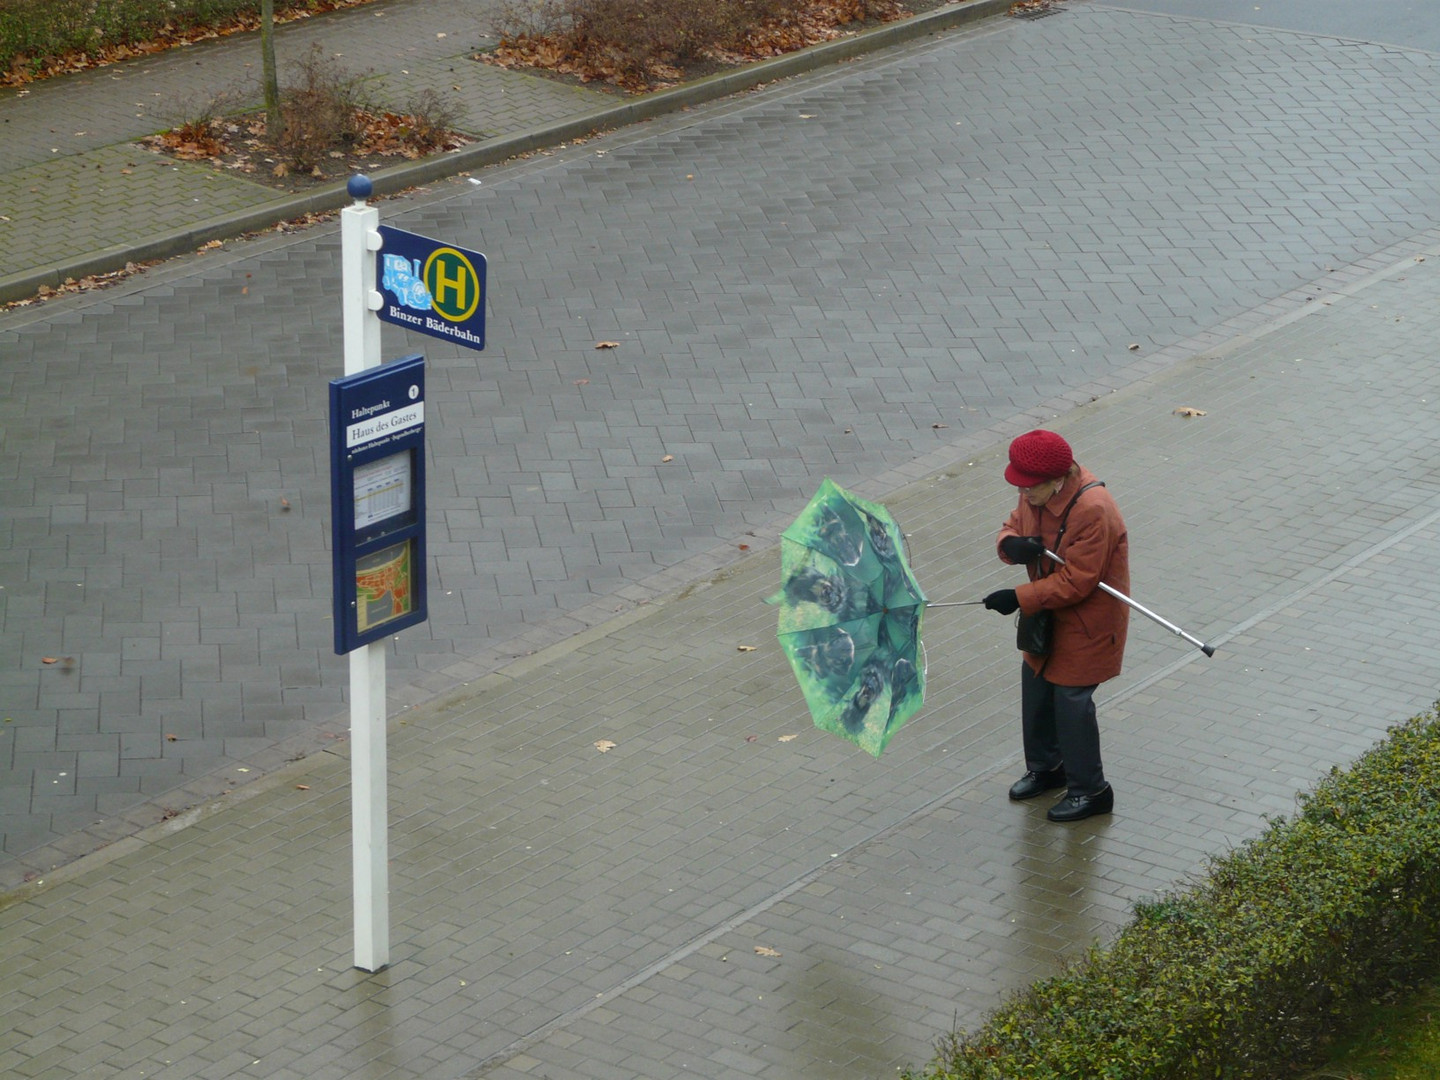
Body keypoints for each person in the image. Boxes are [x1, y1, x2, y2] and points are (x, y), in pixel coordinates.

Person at [982, 430, 1129, 822]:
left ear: (1058, 479)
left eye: (1031, 488)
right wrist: (1010, 543)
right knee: (1037, 687)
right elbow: (1012, 523)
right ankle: (1048, 770)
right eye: (1020, 486)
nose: (1024, 494)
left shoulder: (1094, 507)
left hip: (1087, 622)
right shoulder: (1033, 486)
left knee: (1071, 703)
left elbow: (1079, 580)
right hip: (1045, 616)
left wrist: (1017, 597)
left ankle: (1091, 791)